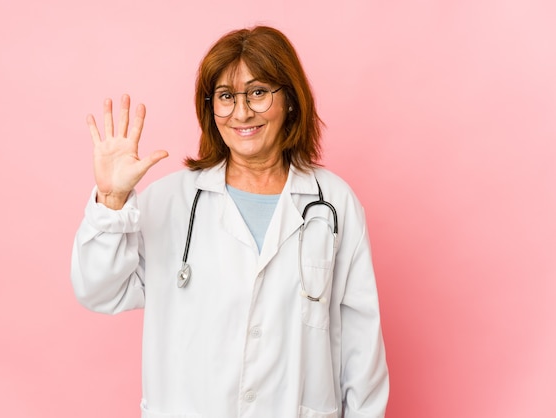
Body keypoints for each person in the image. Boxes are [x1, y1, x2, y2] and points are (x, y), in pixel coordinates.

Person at [71, 25, 389, 418]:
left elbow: (361, 342)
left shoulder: (334, 203)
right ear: (211, 107)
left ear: (289, 99)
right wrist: (112, 200)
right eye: (226, 96)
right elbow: (97, 290)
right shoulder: (170, 201)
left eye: (258, 92)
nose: (241, 112)